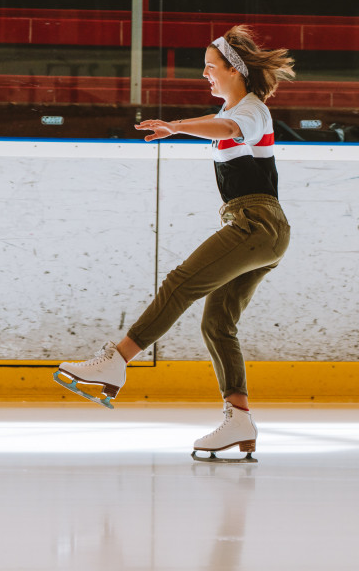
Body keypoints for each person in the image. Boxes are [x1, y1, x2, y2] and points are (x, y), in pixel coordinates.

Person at [54, 25, 295, 462]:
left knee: (180, 282)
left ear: (234, 70)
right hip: (262, 229)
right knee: (217, 323)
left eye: (210, 66)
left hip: (257, 224)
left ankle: (116, 360)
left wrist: (177, 126)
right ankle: (238, 418)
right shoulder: (237, 110)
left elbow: (226, 125)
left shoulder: (251, 111)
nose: (204, 74)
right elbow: (222, 124)